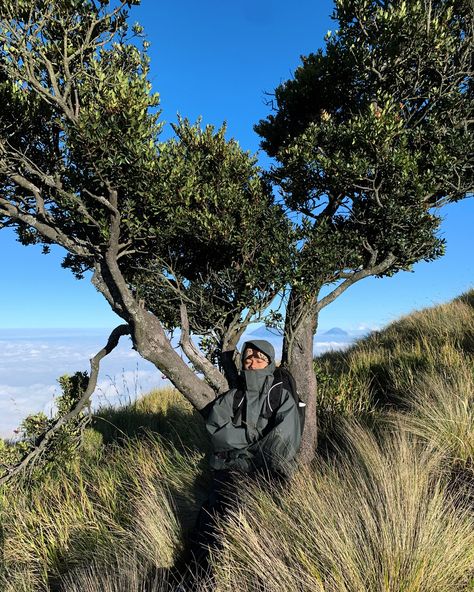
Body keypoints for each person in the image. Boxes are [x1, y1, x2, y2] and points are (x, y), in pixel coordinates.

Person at [173, 340, 301, 590]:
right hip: (231, 468)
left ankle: (223, 575)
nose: (252, 362)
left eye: (259, 358)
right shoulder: (234, 397)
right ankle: (199, 575)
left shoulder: (280, 397)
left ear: (269, 364)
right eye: (248, 359)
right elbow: (217, 431)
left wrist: (243, 446)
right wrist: (252, 439)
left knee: (240, 516)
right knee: (212, 515)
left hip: (268, 471)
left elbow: (282, 443)